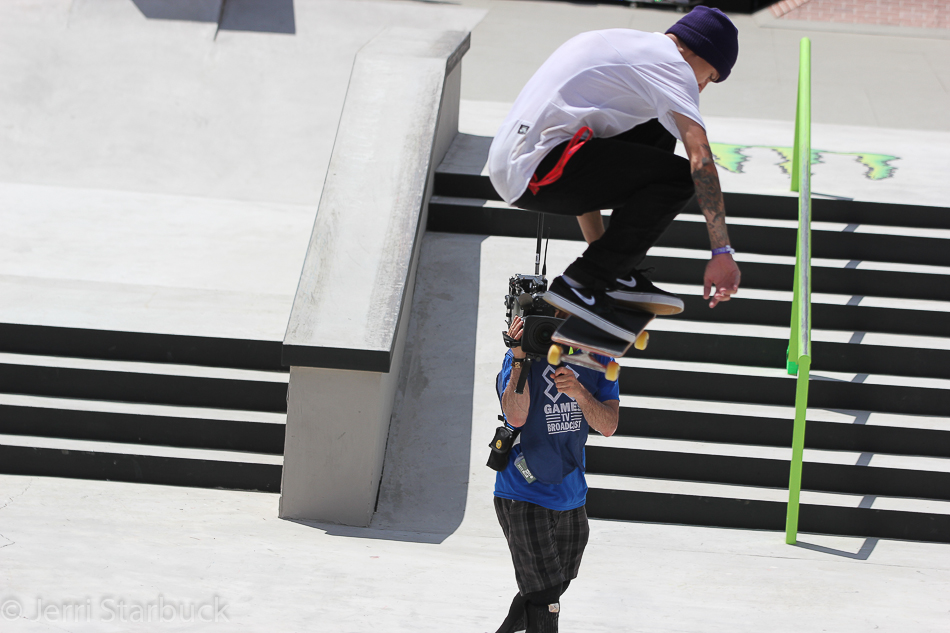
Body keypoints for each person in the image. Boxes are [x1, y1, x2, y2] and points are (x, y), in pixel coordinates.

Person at [487, 7, 743, 341]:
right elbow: (702, 159)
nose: (703, 86)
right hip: (535, 168)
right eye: (709, 76)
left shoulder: (625, 47)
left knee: (659, 127)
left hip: (520, 162)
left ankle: (610, 274)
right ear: (696, 51)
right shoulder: (673, 65)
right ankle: (581, 283)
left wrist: (607, 262)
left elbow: (590, 169)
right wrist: (721, 251)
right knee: (681, 177)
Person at [493, 314, 620, 633]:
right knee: (545, 597)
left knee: (556, 584)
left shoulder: (600, 361)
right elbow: (515, 417)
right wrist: (519, 359)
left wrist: (580, 392)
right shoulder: (520, 356)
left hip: (571, 494)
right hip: (523, 491)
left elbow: (608, 426)